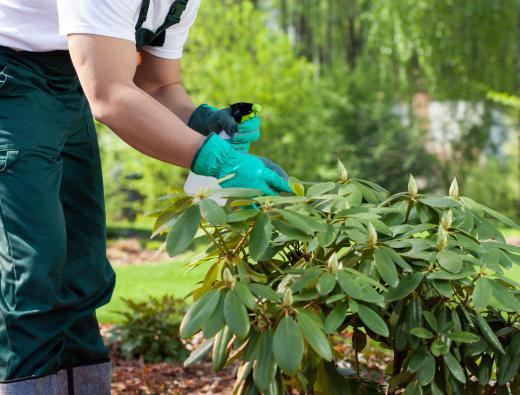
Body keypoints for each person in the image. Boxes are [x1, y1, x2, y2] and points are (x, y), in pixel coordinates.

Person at [0, 0, 291, 393]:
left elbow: (155, 84)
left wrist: (202, 122)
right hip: (11, 78)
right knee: (35, 269)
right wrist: (216, 159)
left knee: (82, 271)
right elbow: (109, 96)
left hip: (68, 79)